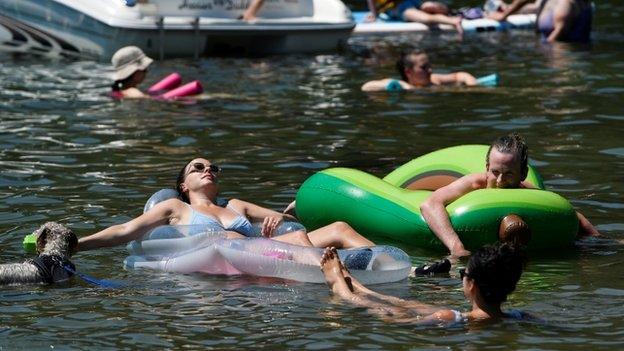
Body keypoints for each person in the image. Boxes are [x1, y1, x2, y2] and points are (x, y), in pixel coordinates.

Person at [77, 158, 375, 252]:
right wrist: (77, 244)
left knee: (338, 228)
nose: (207, 169)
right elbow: (126, 230)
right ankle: (340, 282)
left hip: (266, 249)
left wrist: (281, 217)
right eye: (198, 167)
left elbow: (283, 220)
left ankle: (402, 267)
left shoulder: (235, 205)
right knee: (298, 239)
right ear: (183, 185)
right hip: (230, 259)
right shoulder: (176, 208)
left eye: (212, 167)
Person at [420, 133, 601, 257]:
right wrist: (456, 246)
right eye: (495, 172)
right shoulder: (474, 183)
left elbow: (570, 214)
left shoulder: (525, 189)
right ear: (486, 168)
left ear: (522, 174)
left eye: (508, 174)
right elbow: (429, 204)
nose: (499, 181)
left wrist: (598, 241)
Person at [321, 243, 530, 324]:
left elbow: (399, 322)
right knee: (408, 305)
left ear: (472, 285)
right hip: (468, 318)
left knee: (388, 311)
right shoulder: (520, 317)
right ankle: (358, 286)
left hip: (453, 319)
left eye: (462, 274)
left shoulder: (448, 317)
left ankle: (340, 286)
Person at [361, 50, 478, 92]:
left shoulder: (434, 80)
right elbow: (366, 86)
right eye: (424, 68)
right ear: (408, 72)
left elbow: (460, 75)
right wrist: (401, 87)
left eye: (429, 66)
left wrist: (473, 86)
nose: (430, 70)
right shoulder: (403, 85)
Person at [487, 0, 591, 42]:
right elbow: (535, 6)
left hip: (562, 55)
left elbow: (558, 37)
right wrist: (507, 10)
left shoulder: (566, 4)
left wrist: (503, 16)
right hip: (549, 49)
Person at [366, 0, 463, 34]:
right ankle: (453, 21)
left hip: (410, 2)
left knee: (430, 6)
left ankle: (452, 13)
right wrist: (374, 15)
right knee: (426, 18)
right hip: (398, 9)